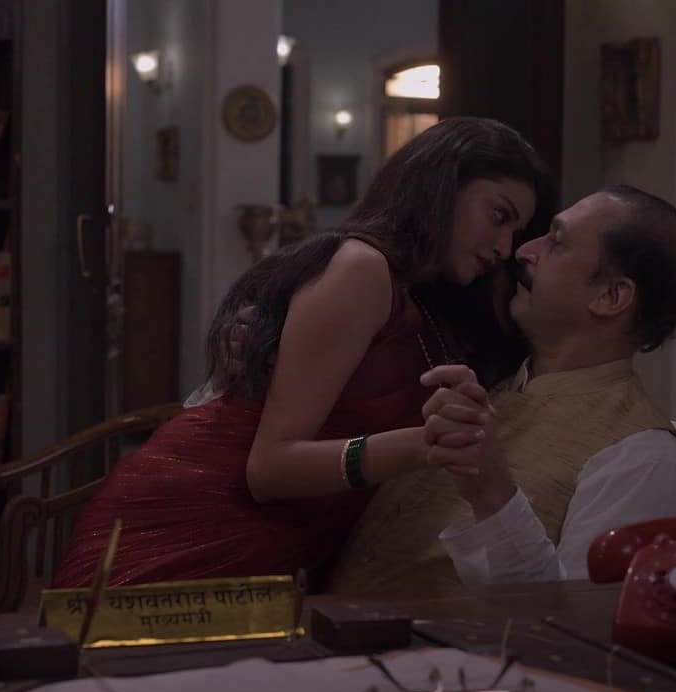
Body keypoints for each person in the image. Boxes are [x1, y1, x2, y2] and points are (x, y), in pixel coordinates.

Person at [50, 118, 553, 587]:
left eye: (517, 232)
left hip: (279, 546)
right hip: (190, 527)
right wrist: (424, 445)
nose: (504, 247)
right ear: (442, 187)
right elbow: (269, 468)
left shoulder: (428, 300)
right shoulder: (363, 268)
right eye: (499, 216)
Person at [325, 185, 676, 594]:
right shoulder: (494, 383)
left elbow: (576, 623)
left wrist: (492, 490)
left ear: (611, 296)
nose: (523, 251)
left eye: (556, 241)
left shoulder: (645, 459)